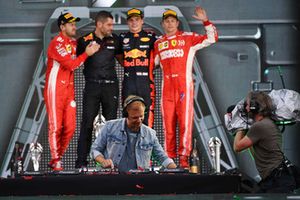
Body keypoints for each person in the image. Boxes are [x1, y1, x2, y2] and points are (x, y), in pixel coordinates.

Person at [153, 7, 218, 168]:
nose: (169, 23)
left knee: (185, 124)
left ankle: (183, 159)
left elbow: (212, 38)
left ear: (177, 23)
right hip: (167, 89)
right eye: (166, 21)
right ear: (162, 24)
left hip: (183, 88)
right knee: (167, 125)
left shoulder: (188, 38)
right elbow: (150, 64)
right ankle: (168, 160)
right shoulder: (158, 43)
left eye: (172, 21)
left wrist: (205, 21)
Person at [44, 12, 100, 171]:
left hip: (69, 90)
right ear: (62, 26)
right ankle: (56, 160)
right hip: (55, 88)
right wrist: (86, 54)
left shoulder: (74, 43)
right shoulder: (56, 43)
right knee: (56, 126)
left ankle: (58, 157)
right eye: (71, 24)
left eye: (75, 24)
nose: (74, 26)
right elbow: (71, 65)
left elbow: (84, 49)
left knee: (70, 127)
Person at [75, 11, 122, 169]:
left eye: (112, 24)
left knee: (112, 125)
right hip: (92, 86)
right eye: (109, 24)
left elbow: (123, 61)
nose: (111, 27)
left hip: (111, 86)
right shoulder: (83, 41)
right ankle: (81, 163)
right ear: (99, 24)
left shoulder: (115, 40)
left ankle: (110, 161)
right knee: (87, 124)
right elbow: (75, 62)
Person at [90, 95, 177, 172]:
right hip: (113, 177)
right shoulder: (109, 127)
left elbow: (162, 157)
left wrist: (176, 169)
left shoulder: (150, 134)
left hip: (139, 180)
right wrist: (103, 161)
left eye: (141, 116)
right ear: (126, 114)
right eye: (135, 118)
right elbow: (95, 150)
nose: (139, 121)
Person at [233, 91, 296, 193]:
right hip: (277, 178)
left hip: (276, 180)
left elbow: (237, 147)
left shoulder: (260, 126)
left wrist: (239, 125)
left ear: (255, 106)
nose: (246, 108)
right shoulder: (265, 123)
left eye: (247, 105)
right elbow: (255, 152)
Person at [119, 8, 156, 128]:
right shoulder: (122, 38)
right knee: (128, 116)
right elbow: (118, 56)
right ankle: (129, 145)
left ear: (142, 21)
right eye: (131, 20)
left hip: (145, 83)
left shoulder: (151, 37)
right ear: (127, 22)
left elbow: (162, 56)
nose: (134, 22)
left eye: (137, 19)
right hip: (128, 83)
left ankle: (147, 145)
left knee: (147, 116)